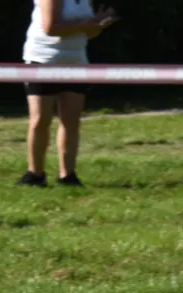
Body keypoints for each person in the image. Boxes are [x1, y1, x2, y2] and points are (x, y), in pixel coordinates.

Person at [18, 0, 118, 187]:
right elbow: (50, 27)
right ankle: (35, 174)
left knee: (71, 120)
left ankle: (67, 175)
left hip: (76, 62)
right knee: (40, 119)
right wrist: (84, 25)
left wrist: (100, 23)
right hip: (43, 61)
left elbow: (89, 34)